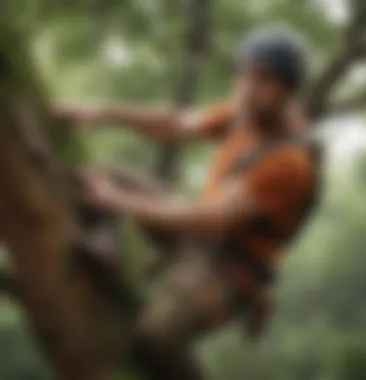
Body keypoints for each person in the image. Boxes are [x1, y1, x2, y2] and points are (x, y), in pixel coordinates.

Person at [58, 25, 321, 380]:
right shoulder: (244, 112)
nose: (247, 88)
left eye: (262, 80)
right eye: (243, 75)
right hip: (200, 236)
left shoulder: (289, 162)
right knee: (104, 174)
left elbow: (211, 219)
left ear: (289, 90)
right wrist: (102, 113)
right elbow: (175, 125)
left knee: (155, 339)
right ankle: (104, 250)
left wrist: (118, 202)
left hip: (231, 266)